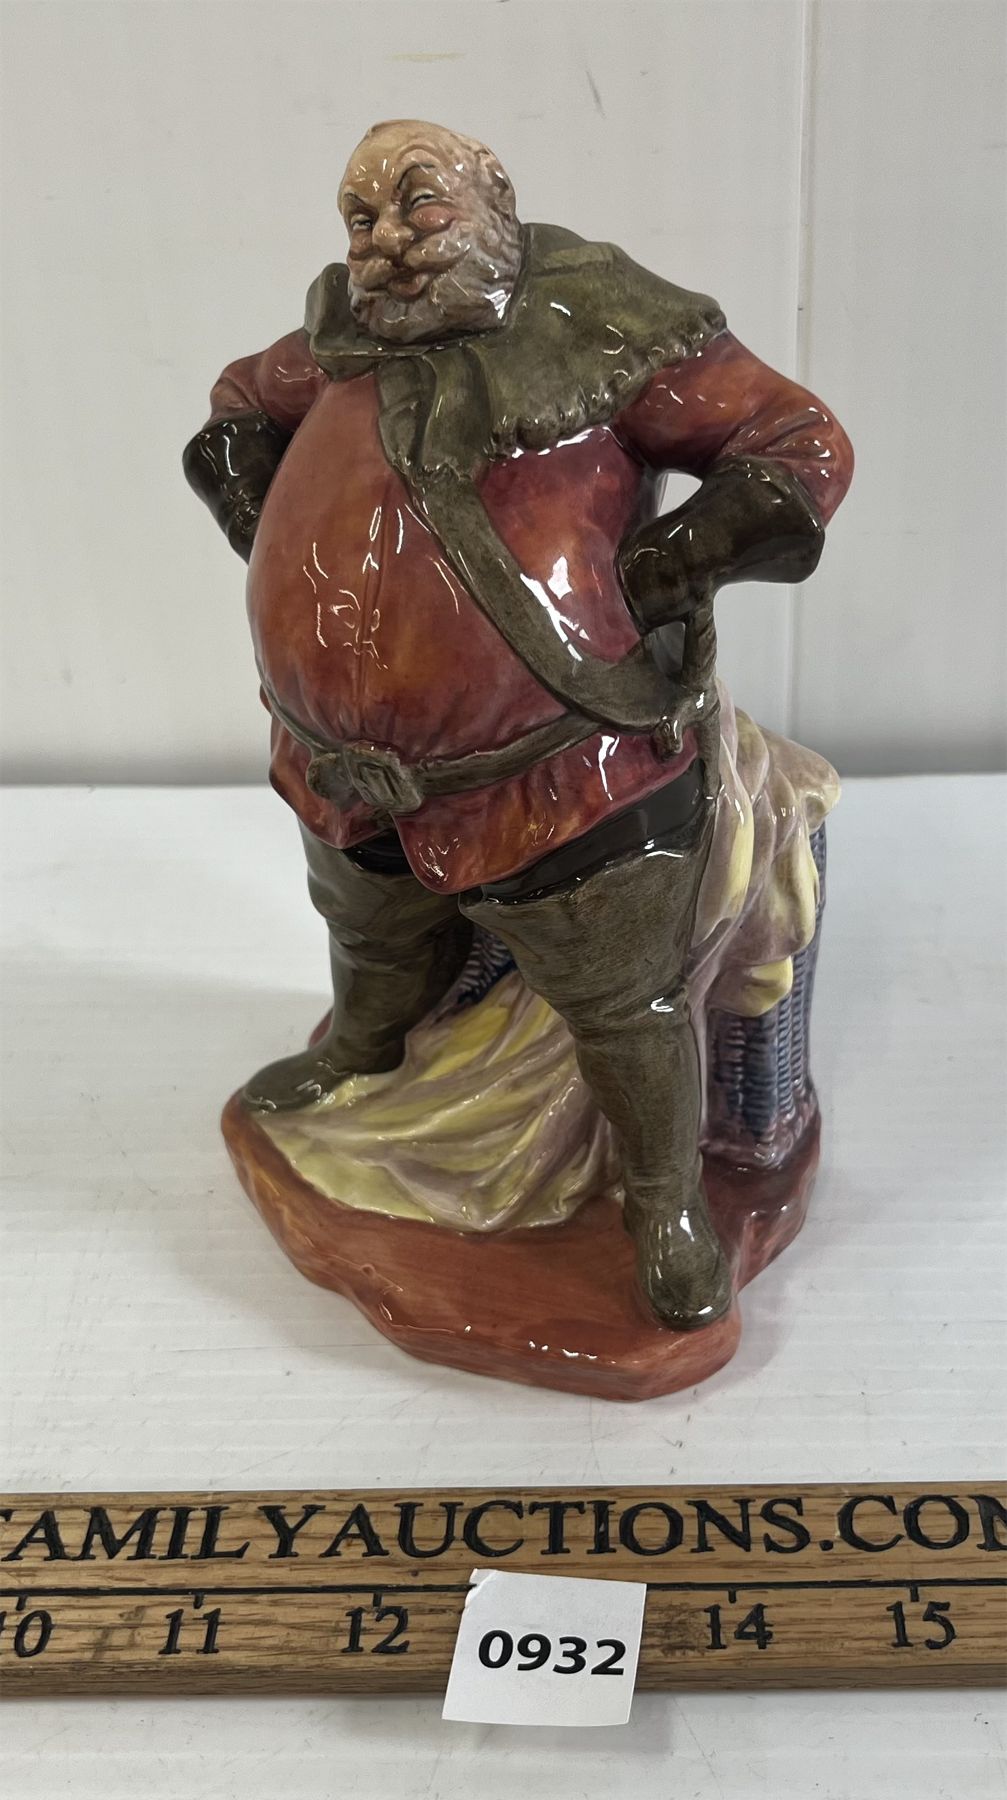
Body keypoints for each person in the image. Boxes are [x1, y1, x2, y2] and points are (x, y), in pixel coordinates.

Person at [184, 118, 853, 1331]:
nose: (385, 243)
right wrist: (254, 501)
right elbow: (242, 398)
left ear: (491, 195)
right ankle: (364, 1050)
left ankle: (663, 1204)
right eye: (360, 216)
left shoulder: (608, 325)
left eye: (418, 205)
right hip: (340, 767)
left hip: (566, 771)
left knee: (624, 1008)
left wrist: (661, 568)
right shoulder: (342, 334)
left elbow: (796, 443)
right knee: (364, 930)